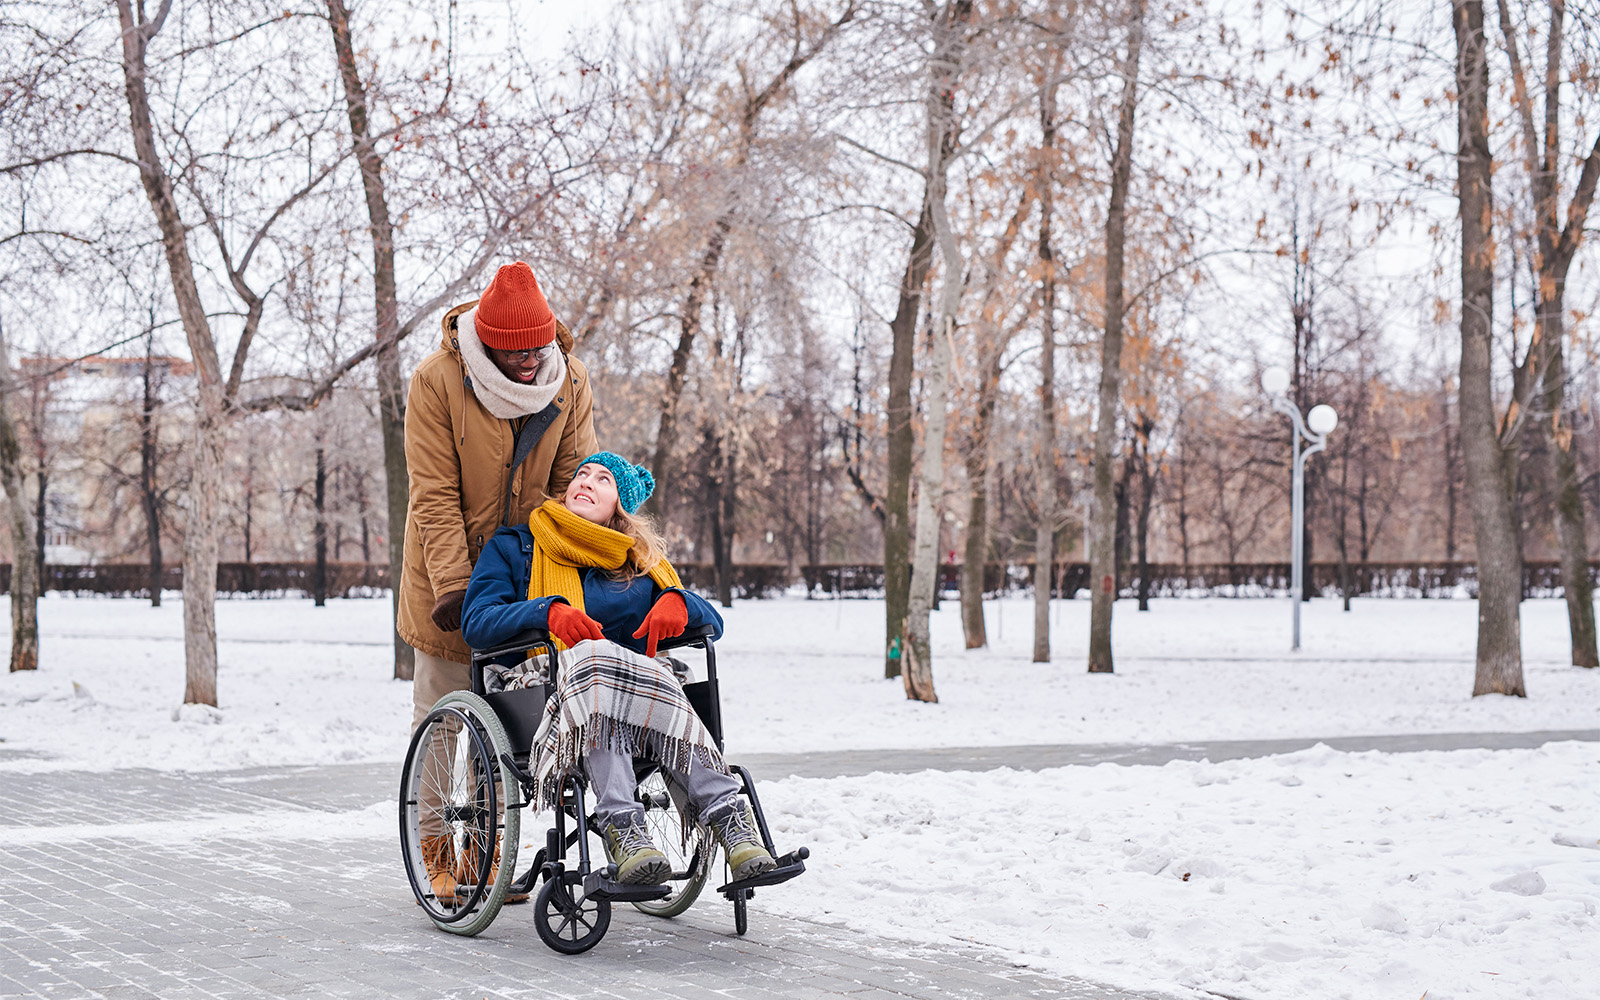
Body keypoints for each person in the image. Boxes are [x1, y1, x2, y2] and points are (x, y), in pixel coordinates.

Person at [461, 452, 777, 886]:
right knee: (595, 660)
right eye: (581, 475)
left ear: (619, 506)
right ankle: (624, 826)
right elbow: (476, 622)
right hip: (545, 685)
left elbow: (714, 624)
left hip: (636, 701)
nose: (586, 481)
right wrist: (546, 613)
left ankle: (730, 822)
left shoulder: (640, 564)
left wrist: (679, 602)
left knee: (624, 666)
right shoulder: (517, 546)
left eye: (603, 479)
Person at [398, 260, 598, 904]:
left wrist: (586, 576)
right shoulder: (437, 382)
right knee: (445, 721)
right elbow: (433, 496)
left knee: (509, 727)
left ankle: (485, 858)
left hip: (524, 584)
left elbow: (578, 490)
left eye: (534, 350)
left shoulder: (568, 385)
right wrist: (456, 588)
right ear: (487, 341)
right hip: (447, 586)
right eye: (511, 353)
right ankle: (436, 854)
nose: (524, 363)